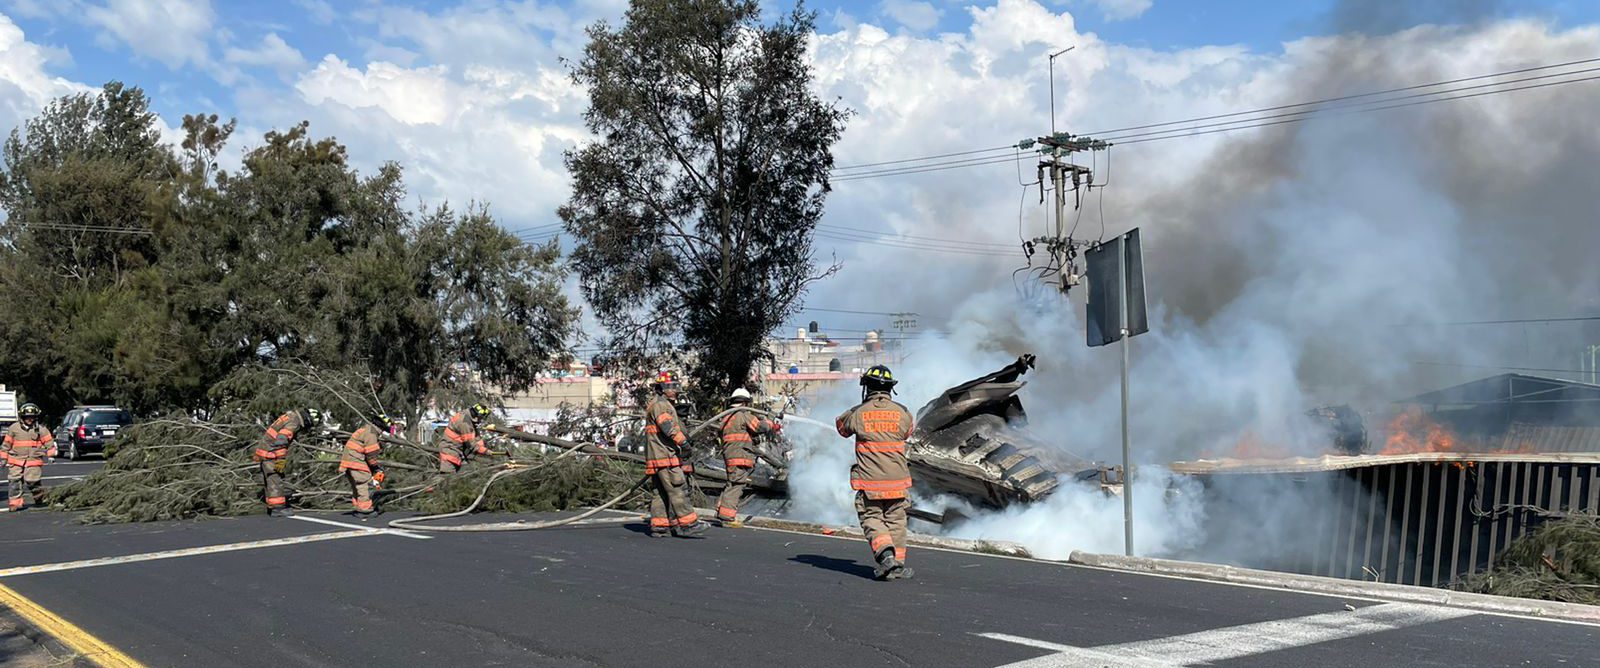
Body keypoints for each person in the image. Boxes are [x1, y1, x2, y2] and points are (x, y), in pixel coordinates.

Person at [835, 365, 915, 580]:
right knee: (897, 521)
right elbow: (908, 431)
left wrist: (860, 408)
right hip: (898, 481)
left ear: (866, 387)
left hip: (871, 483)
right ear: (890, 388)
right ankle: (897, 566)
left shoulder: (858, 414)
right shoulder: (903, 412)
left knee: (872, 517)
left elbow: (841, 428)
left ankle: (887, 558)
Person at [643, 371, 707, 537]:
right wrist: (683, 443)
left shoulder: (658, 403)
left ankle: (660, 526)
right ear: (662, 388)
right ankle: (689, 524)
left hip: (657, 456)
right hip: (666, 455)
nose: (676, 390)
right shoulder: (661, 405)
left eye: (676, 386)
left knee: (661, 492)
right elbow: (668, 427)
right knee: (678, 488)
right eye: (672, 387)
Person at [714, 388, 781, 527]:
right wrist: (770, 421)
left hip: (731, 454)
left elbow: (740, 434)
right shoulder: (742, 414)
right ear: (745, 402)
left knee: (732, 482)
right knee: (737, 484)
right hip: (740, 455)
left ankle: (721, 511)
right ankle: (727, 517)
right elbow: (759, 427)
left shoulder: (726, 417)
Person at [255, 408, 322, 517]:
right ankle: (278, 508)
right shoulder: (294, 422)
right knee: (276, 478)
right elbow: (281, 440)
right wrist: (280, 461)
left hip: (266, 452)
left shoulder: (289, 416)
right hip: (273, 455)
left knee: (270, 479)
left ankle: (272, 506)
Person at [341, 414, 396, 519]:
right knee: (364, 483)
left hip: (349, 460)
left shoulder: (367, 429)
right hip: (355, 460)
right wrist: (375, 467)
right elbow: (371, 453)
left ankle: (359, 506)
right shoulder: (372, 433)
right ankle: (365, 510)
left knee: (356, 485)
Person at [4, 403, 56, 511]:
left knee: (32, 481)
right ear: (22, 417)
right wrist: (3, 458)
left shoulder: (41, 429)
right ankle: (15, 503)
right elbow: (6, 444)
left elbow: (49, 443)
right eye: (27, 417)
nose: (30, 420)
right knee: (14, 481)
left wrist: (51, 455)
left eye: (32, 417)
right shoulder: (14, 428)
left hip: (33, 460)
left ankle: (39, 497)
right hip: (16, 460)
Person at [437, 403, 494, 473]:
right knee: (448, 478)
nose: (481, 420)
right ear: (477, 416)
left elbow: (476, 437)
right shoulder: (465, 423)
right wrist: (486, 451)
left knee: (464, 474)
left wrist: (482, 447)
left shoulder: (467, 416)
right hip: (449, 451)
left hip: (457, 451)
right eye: (481, 418)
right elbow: (471, 444)